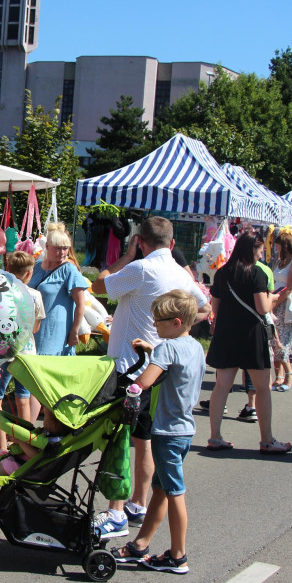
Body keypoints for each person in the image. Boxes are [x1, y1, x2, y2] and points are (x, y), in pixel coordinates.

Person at [90, 217, 210, 537]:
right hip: (160, 367)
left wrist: (127, 257)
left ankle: (115, 511)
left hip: (128, 368)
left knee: (118, 439)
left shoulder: (140, 268)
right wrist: (175, 333)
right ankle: (138, 503)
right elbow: (204, 308)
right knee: (145, 439)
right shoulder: (181, 274)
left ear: (140, 241)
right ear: (172, 244)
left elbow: (99, 284)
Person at [112, 290, 204, 575]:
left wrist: (130, 387)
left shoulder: (166, 349)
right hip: (185, 430)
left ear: (176, 322)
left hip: (165, 432)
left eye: (158, 321)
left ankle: (178, 555)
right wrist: (152, 351)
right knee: (162, 490)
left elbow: (145, 382)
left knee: (175, 492)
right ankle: (141, 544)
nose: (154, 326)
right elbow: (177, 363)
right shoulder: (195, 346)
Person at [205, 232, 292, 454]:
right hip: (252, 335)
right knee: (263, 388)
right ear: (252, 250)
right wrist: (275, 297)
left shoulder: (222, 273)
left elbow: (215, 307)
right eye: (260, 250)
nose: (261, 254)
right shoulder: (257, 273)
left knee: (221, 386)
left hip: (226, 334)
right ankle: (267, 440)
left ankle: (215, 436)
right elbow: (263, 308)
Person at [28, 222, 89, 421]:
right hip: (34, 332)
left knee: (44, 384)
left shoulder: (69, 271)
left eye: (66, 248)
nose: (63, 252)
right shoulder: (37, 267)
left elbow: (81, 304)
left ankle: (28, 431)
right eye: (58, 248)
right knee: (35, 383)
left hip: (56, 335)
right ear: (47, 247)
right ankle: (37, 429)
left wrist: (74, 332)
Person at [0, 251, 46, 449]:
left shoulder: (0, 294)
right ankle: (24, 445)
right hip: (27, 354)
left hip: (5, 353)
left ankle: (1, 448)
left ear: (8, 271)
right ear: (29, 274)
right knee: (23, 398)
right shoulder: (35, 296)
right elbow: (35, 328)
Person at [270, 233, 292, 389]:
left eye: (277, 245)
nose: (275, 248)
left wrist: (274, 303)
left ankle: (290, 374)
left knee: (281, 341)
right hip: (275, 302)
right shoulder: (280, 261)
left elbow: (289, 288)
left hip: (285, 305)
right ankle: (279, 375)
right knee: (273, 340)